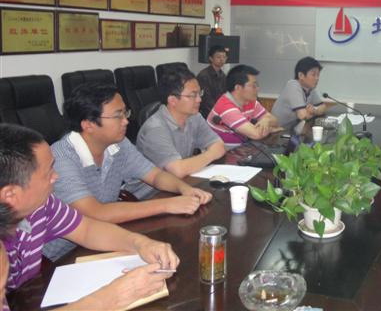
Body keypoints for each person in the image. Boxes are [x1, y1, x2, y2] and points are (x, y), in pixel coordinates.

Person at [0, 123, 178, 311]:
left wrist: (140, 243)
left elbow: (87, 229)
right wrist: (111, 298)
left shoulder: (41, 205)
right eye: (48, 173)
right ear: (10, 195)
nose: (56, 176)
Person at [44, 83, 212, 261]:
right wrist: (167, 205)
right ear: (89, 125)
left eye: (125, 113)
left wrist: (184, 189)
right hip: (60, 257)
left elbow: (155, 175)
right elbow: (95, 212)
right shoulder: (60, 158)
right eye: (118, 116)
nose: (126, 121)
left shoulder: (118, 144)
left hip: (104, 238)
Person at [130, 69, 225, 197]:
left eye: (199, 93)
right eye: (193, 95)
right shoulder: (155, 129)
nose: (199, 99)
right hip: (149, 195)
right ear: (173, 100)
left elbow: (219, 146)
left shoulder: (194, 117)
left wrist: (196, 161)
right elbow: (178, 170)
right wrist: (211, 154)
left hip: (181, 184)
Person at [208, 65, 280, 145]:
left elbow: (275, 120)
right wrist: (271, 128)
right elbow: (256, 134)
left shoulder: (250, 101)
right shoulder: (226, 107)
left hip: (241, 147)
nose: (258, 89)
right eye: (253, 86)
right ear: (238, 88)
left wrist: (266, 120)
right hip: (222, 150)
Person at [272, 57, 327, 133]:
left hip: (292, 129)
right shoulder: (293, 85)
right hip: (277, 131)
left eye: (318, 75)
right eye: (313, 75)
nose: (317, 78)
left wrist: (314, 110)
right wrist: (315, 112)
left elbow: (323, 107)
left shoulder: (310, 89)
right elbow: (303, 116)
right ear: (301, 75)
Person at [197, 45, 227, 119]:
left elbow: (225, 95)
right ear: (211, 58)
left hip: (219, 112)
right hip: (207, 114)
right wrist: (218, 113)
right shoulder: (203, 76)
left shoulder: (223, 75)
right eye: (218, 57)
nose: (222, 59)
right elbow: (205, 100)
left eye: (224, 57)